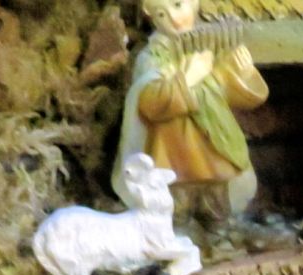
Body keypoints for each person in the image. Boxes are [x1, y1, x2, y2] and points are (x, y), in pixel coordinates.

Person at [115, 0, 268, 230]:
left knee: (216, 200)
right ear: (151, 18)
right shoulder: (152, 57)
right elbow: (149, 104)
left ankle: (217, 232)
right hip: (172, 148)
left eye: (178, 5)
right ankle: (175, 233)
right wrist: (188, 79)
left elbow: (228, 94)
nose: (174, 19)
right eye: (161, 14)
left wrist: (243, 73)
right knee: (175, 203)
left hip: (212, 143)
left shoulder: (211, 46)